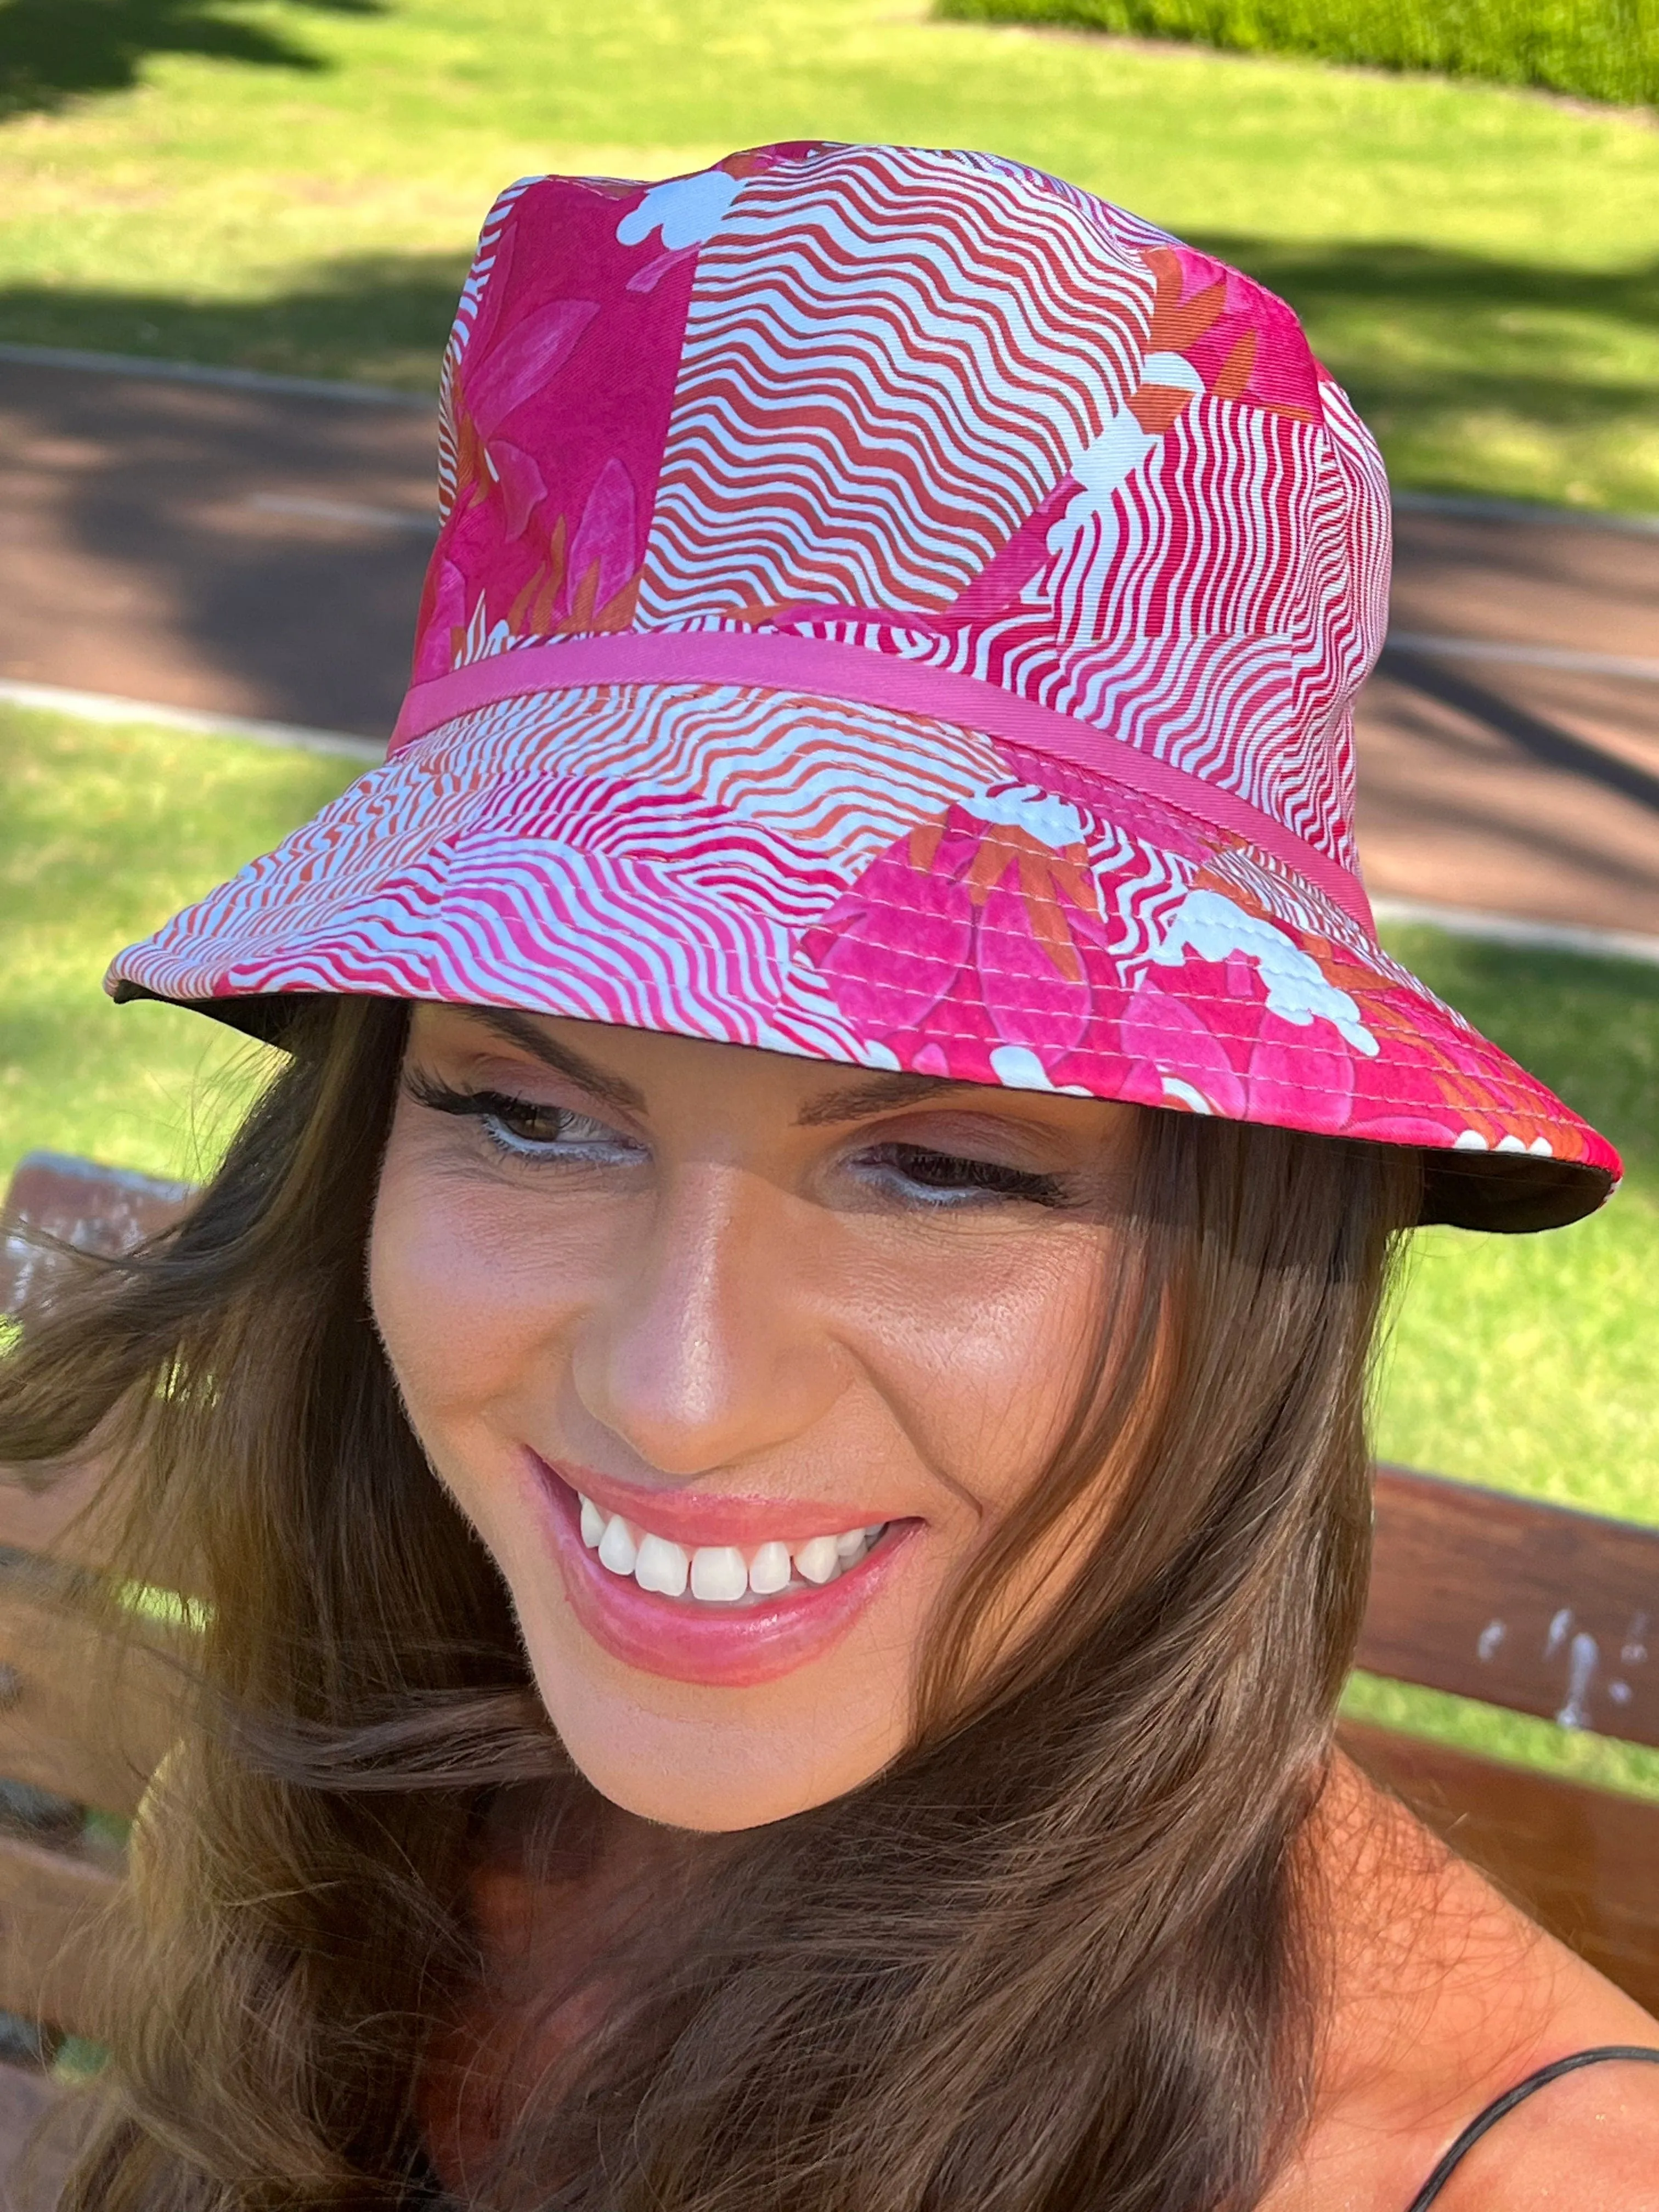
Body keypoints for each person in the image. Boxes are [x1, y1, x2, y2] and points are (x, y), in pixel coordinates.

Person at [3, 140, 1655, 2212]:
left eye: (947, 1167)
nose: (675, 1395)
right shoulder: (413, 1805)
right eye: (528, 1114)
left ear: (1265, 1227)